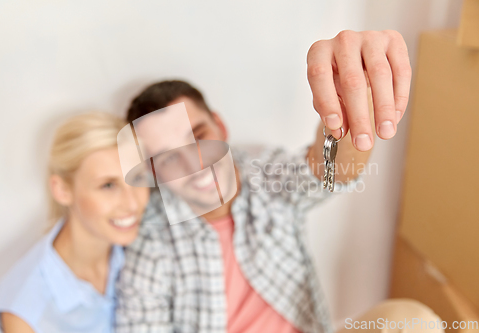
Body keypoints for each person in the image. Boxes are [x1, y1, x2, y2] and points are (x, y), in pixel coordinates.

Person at [114, 30, 443, 333]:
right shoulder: (150, 237)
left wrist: (349, 98)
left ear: (220, 127)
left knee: (413, 321)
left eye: (199, 137)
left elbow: (330, 174)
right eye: (169, 158)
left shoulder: (263, 172)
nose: (195, 164)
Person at [0, 112, 150, 333]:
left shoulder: (146, 245)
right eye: (108, 186)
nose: (133, 203)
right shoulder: (25, 310)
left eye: (137, 178)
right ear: (62, 190)